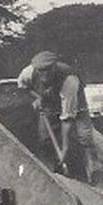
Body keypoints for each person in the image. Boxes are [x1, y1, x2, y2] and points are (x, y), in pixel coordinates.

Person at [17, 51, 96, 183]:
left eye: (48, 70)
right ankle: (53, 175)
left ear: (55, 66)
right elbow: (23, 87)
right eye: (40, 71)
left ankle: (91, 174)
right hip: (49, 102)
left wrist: (64, 148)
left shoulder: (69, 79)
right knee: (44, 139)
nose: (44, 75)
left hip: (75, 103)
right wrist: (37, 98)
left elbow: (67, 118)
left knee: (84, 138)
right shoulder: (28, 72)